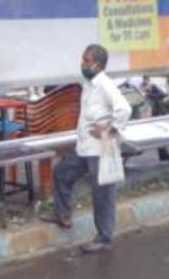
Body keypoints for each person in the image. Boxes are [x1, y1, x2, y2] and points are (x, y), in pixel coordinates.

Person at [42, 44, 132, 253]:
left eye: (86, 61)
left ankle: (104, 237)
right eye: (82, 59)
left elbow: (124, 109)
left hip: (102, 148)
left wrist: (110, 131)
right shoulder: (89, 83)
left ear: (98, 65)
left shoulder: (105, 85)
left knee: (102, 195)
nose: (82, 64)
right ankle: (63, 214)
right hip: (85, 146)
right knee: (62, 173)